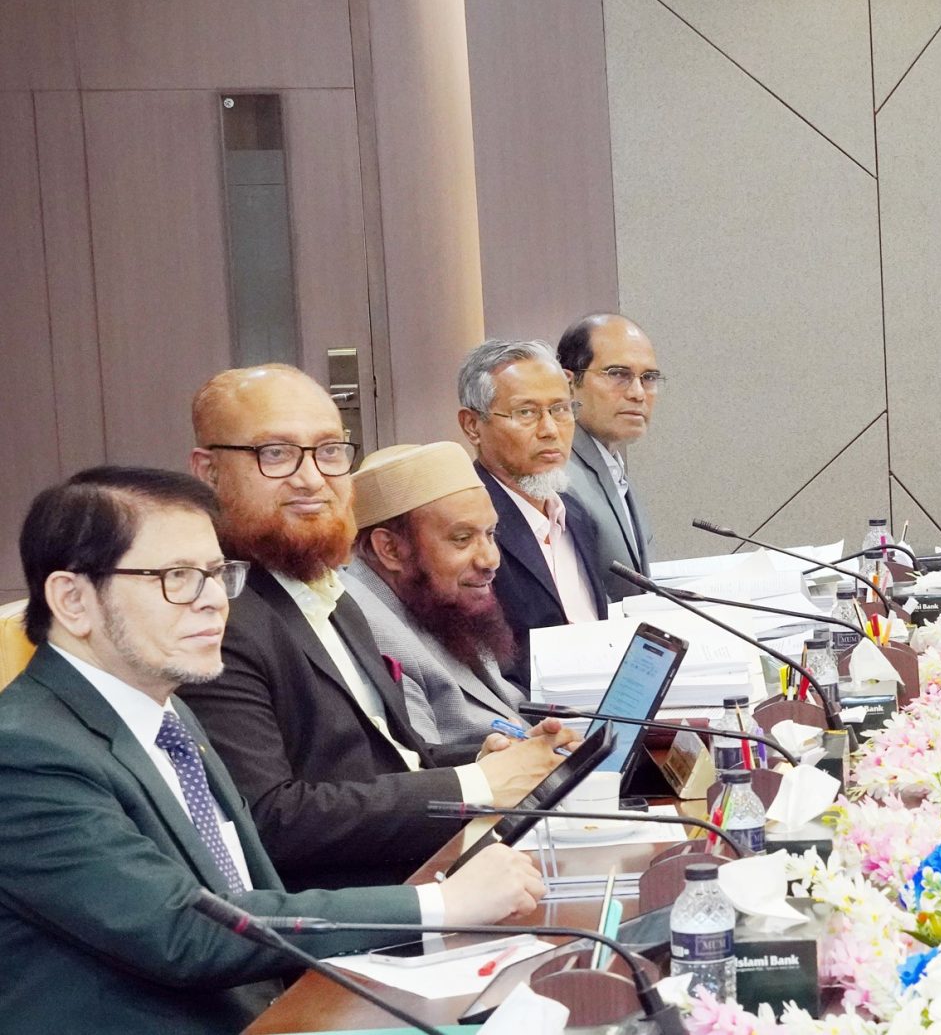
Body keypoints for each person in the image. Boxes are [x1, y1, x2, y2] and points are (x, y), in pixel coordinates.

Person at [0, 467, 545, 1032]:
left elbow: (250, 891)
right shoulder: (24, 752)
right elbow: (181, 931)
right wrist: (440, 905)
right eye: (178, 577)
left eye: (217, 574)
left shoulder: (167, 710)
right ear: (72, 599)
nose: (214, 602)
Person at [177, 364, 572, 890]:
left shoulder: (325, 592)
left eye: (328, 451)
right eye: (275, 453)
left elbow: (392, 759)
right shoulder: (216, 614)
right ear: (209, 471)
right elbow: (268, 819)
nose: (311, 478)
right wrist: (475, 785)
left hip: (438, 870)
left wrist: (491, 759)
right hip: (359, 910)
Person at [344, 442, 529, 747]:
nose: (491, 559)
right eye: (462, 538)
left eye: (490, 534)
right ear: (390, 549)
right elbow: (423, 764)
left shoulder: (440, 599)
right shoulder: (365, 632)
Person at [458, 338, 610, 683]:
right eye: (526, 413)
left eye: (561, 409)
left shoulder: (578, 517)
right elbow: (483, 670)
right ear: (472, 426)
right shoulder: (468, 529)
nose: (550, 430)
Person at [558, 313, 661, 601]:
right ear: (568, 384)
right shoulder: (558, 477)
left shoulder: (610, 463)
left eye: (649, 378)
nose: (638, 393)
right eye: (618, 374)